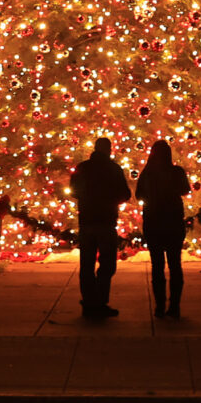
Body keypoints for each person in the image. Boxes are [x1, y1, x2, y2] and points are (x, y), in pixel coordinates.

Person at [69, 136, 131, 318]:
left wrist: (88, 199)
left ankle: (89, 301)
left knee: (86, 263)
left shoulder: (82, 168)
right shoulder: (113, 169)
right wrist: (111, 201)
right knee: (107, 264)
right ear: (109, 150)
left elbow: (74, 191)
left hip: (87, 221)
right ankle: (100, 300)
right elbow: (125, 193)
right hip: (105, 221)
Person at [136, 139, 193, 319]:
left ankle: (160, 306)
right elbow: (185, 189)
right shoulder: (176, 172)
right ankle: (174, 306)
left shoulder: (147, 173)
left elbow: (139, 195)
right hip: (173, 222)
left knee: (157, 265)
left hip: (153, 222)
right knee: (175, 264)